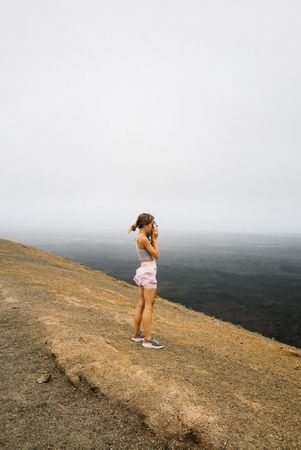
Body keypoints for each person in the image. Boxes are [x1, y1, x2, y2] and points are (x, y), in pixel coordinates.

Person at [128, 213, 164, 349]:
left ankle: (138, 335)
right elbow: (157, 254)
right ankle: (148, 340)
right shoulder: (143, 238)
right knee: (149, 305)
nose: (153, 227)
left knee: (141, 303)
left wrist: (152, 237)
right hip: (148, 272)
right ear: (145, 225)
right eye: (151, 224)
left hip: (144, 270)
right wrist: (155, 239)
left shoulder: (140, 237)